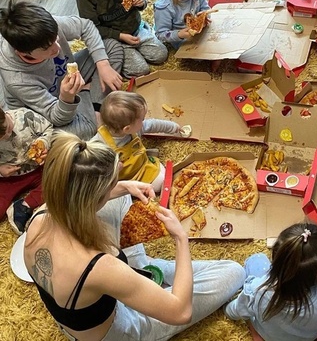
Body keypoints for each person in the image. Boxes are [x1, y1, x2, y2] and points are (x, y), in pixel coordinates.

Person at [24, 131, 246, 341]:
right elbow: (181, 312)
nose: (117, 184)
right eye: (111, 185)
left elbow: (84, 200)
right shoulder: (101, 267)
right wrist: (180, 239)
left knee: (122, 198)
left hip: (83, 311)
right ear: (92, 197)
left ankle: (144, 272)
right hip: (121, 331)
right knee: (234, 272)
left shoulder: (41, 215)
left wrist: (124, 187)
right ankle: (147, 274)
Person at [0, 0, 123, 141]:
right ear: (23, 53)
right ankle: (89, 97)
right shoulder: (17, 80)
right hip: (47, 110)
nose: (57, 48)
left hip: (67, 77)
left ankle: (94, 106)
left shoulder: (46, 27)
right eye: (47, 48)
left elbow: (86, 26)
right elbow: (56, 117)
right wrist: (66, 98)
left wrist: (103, 65)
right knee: (83, 132)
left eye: (56, 39)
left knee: (111, 46)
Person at [225, 222, 317, 341]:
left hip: (271, 336)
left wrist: (227, 308)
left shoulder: (258, 290)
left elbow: (234, 311)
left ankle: (257, 333)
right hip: (311, 334)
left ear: (276, 259)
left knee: (256, 259)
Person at [93, 91, 183, 193]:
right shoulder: (100, 143)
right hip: (131, 179)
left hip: (143, 164)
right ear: (127, 129)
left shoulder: (133, 128)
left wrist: (173, 127)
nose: (144, 121)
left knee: (165, 174)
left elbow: (153, 124)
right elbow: (87, 161)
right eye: (142, 119)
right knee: (161, 183)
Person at [0, 106, 52, 234]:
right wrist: (0, 170)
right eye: (1, 138)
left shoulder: (25, 116)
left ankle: (24, 205)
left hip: (38, 168)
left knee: (56, 184)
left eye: (7, 128)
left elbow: (48, 128)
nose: (8, 135)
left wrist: (43, 142)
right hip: (11, 177)